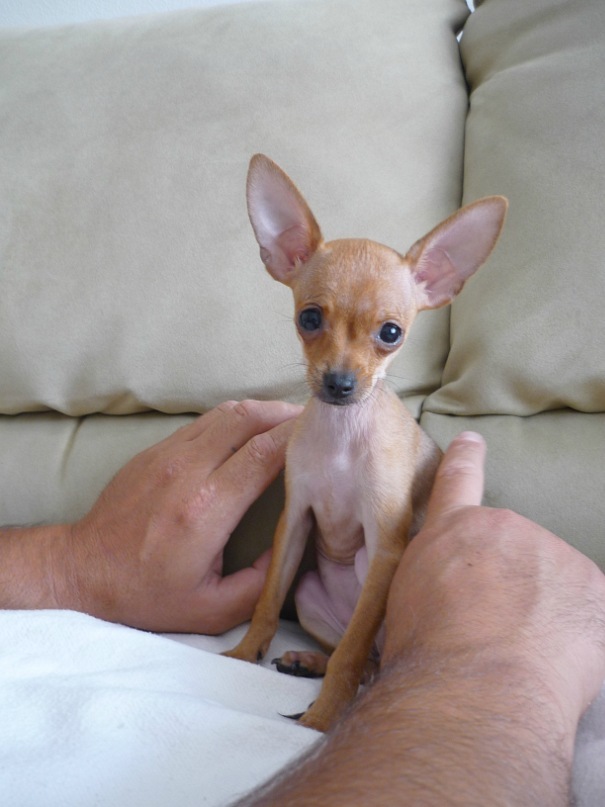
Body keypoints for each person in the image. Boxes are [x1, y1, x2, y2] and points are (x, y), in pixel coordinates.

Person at [1, 400, 604, 804]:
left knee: (373, 566)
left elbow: (389, 552)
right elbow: (293, 524)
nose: (342, 363)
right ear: (283, 260)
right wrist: (255, 637)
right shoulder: (309, 434)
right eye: (315, 323)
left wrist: (341, 681)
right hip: (328, 602)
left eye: (385, 335)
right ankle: (321, 654)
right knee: (311, 594)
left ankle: (352, 669)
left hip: (400, 595)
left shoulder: (385, 438)